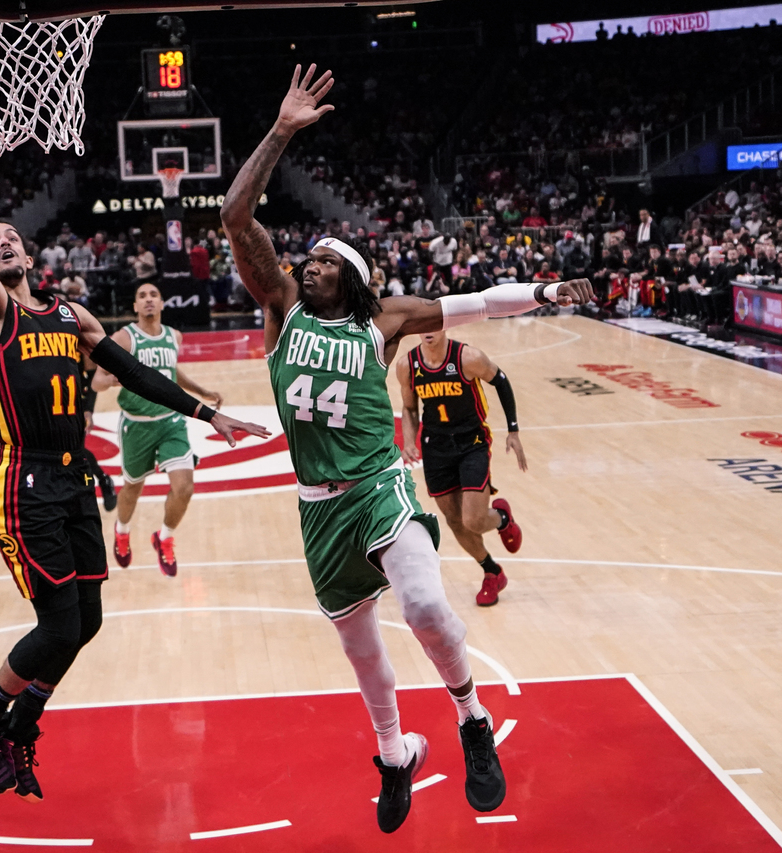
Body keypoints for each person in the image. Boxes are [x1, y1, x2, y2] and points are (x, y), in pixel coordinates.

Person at [220, 64, 591, 834]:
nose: (309, 263)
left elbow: (477, 303)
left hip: (379, 487)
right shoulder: (282, 306)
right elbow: (234, 213)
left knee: (423, 604)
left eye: (326, 260)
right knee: (361, 651)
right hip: (317, 509)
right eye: (309, 257)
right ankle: (396, 754)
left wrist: (546, 293)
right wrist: (281, 130)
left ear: (353, 279)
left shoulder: (381, 322)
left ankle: (471, 717)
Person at [0, 75, 268, 802]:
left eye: (11, 237)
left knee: (87, 619)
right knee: (59, 624)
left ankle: (19, 724)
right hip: (22, 480)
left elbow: (134, 372)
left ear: (31, 257)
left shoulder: (71, 316)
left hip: (70, 475)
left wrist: (206, 414)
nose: (0, 240)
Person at [93, 282, 223, 576]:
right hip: (136, 426)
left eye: (154, 295)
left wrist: (201, 391)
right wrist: (111, 380)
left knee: (184, 487)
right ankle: (122, 531)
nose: (148, 299)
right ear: (135, 306)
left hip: (170, 422)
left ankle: (164, 538)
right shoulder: (123, 339)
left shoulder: (174, 336)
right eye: (142, 296)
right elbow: (97, 380)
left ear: (163, 303)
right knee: (132, 488)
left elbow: (171, 371)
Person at [397, 331, 526, 607]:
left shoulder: (468, 357)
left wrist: (513, 431)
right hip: (435, 446)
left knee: (474, 520)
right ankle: (492, 571)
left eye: (434, 324)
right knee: (454, 520)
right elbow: (409, 409)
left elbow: (501, 380)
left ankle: (502, 518)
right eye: (424, 325)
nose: (428, 330)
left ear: (444, 326)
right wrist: (408, 440)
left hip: (472, 442)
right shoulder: (407, 365)